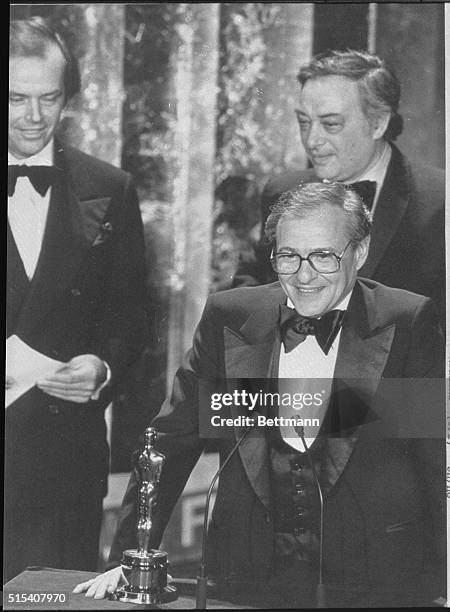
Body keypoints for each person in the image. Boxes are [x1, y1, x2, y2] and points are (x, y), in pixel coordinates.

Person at [74, 183, 444, 607]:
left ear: (359, 253)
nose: (304, 276)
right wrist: (130, 557)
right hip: (245, 577)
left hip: (374, 579)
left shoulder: (407, 321)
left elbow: (432, 457)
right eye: (289, 256)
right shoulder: (229, 317)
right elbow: (170, 442)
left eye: (323, 255)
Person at [5, 17, 148, 582]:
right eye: (15, 98)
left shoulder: (111, 189)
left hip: (62, 465)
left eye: (49, 98)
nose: (34, 117)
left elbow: (132, 321)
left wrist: (101, 366)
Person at [232, 50, 445, 328]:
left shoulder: (440, 201)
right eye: (304, 123)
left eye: (330, 124)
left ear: (378, 123)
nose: (312, 140)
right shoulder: (281, 191)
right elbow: (249, 288)